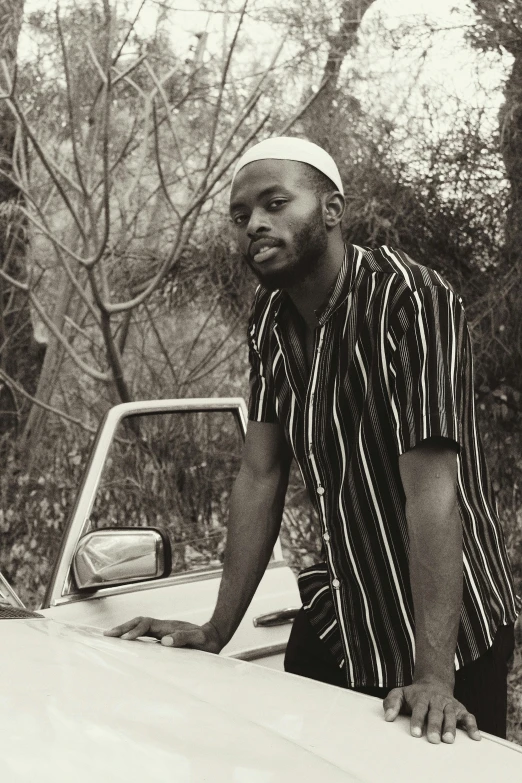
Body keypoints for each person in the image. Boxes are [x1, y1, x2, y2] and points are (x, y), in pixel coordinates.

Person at [106, 136, 520, 743]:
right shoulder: (269, 319)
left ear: (332, 210)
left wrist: (433, 677)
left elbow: (433, 494)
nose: (254, 225)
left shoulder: (411, 299)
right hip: (345, 617)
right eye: (241, 215)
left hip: (451, 634)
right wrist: (218, 629)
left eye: (276, 203)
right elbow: (261, 473)